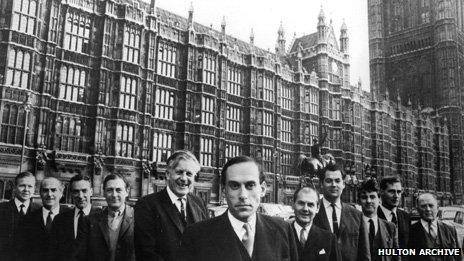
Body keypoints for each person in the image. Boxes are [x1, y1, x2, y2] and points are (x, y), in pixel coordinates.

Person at [179, 156, 298, 261]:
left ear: (262, 189)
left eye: (250, 185)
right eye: (234, 186)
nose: (243, 195)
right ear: (224, 190)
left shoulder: (283, 230)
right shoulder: (197, 235)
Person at [134, 150, 209, 261]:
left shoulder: (200, 203)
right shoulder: (147, 205)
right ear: (168, 174)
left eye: (189, 174)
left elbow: (207, 245)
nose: (184, 179)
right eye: (179, 172)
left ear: (194, 177)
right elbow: (146, 253)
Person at [313, 163, 370, 261]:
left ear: (343, 184)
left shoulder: (357, 216)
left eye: (337, 181)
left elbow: (364, 254)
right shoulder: (312, 214)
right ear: (321, 184)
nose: (334, 185)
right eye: (329, 181)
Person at [83, 173, 135, 261]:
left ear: (127, 191)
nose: (114, 195)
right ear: (104, 193)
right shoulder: (90, 220)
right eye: (110, 190)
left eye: (118, 190)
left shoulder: (139, 218)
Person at [49, 174, 101, 261]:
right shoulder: (60, 219)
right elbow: (53, 252)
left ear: (91, 191)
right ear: (71, 193)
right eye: (76, 191)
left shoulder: (102, 217)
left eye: (84, 191)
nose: (80, 196)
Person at [20, 177, 70, 260]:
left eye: (53, 190)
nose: (49, 194)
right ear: (40, 193)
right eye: (45, 190)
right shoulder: (28, 219)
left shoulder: (70, 217)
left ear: (61, 193)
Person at [292, 186, 340, 261]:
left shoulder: (329, 239)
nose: (305, 209)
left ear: (317, 208)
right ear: (293, 205)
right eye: (301, 203)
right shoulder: (281, 235)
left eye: (310, 205)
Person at [0, 172, 40, 261]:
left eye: (30, 186)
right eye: (22, 186)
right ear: (14, 188)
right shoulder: (2, 209)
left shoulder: (40, 210)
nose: (26, 189)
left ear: (34, 189)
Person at [408, 193, 460, 261]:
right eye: (423, 206)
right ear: (418, 209)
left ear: (437, 208)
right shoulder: (410, 231)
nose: (428, 209)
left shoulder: (450, 230)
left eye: (431, 205)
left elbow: (459, 256)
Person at [358, 179, 399, 261]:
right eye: (364, 197)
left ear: (379, 199)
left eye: (372, 197)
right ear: (359, 201)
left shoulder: (390, 228)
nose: (368, 201)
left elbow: (396, 257)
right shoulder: (353, 226)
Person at [378, 176, 410, 249]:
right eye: (392, 191)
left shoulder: (406, 217)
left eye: (399, 192)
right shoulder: (374, 216)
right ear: (381, 192)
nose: (396, 196)